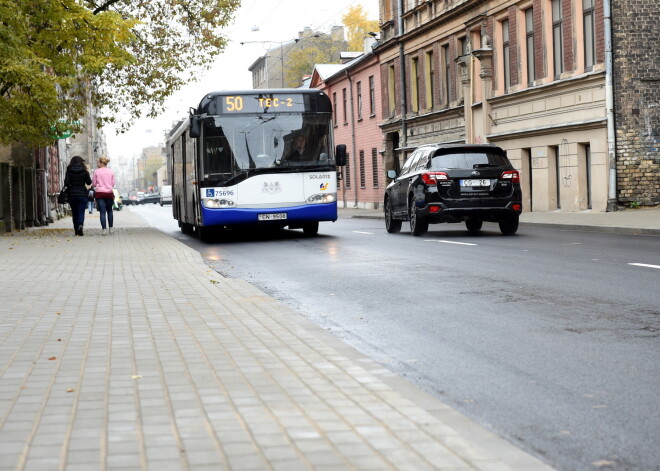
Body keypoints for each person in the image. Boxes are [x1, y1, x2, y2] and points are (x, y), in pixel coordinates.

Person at [64, 156, 92, 236]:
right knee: (81, 212)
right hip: (82, 194)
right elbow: (89, 182)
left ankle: (76, 230)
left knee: (74, 212)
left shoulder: (69, 170)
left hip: (72, 194)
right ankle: (80, 226)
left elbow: (66, 183)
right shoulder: (84, 170)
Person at [92, 157, 116, 236]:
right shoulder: (111, 172)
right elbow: (113, 184)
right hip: (109, 193)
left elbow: (94, 184)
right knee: (109, 210)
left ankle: (104, 230)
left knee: (102, 211)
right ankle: (111, 228)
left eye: (98, 162)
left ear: (102, 163)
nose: (97, 164)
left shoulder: (96, 172)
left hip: (99, 193)